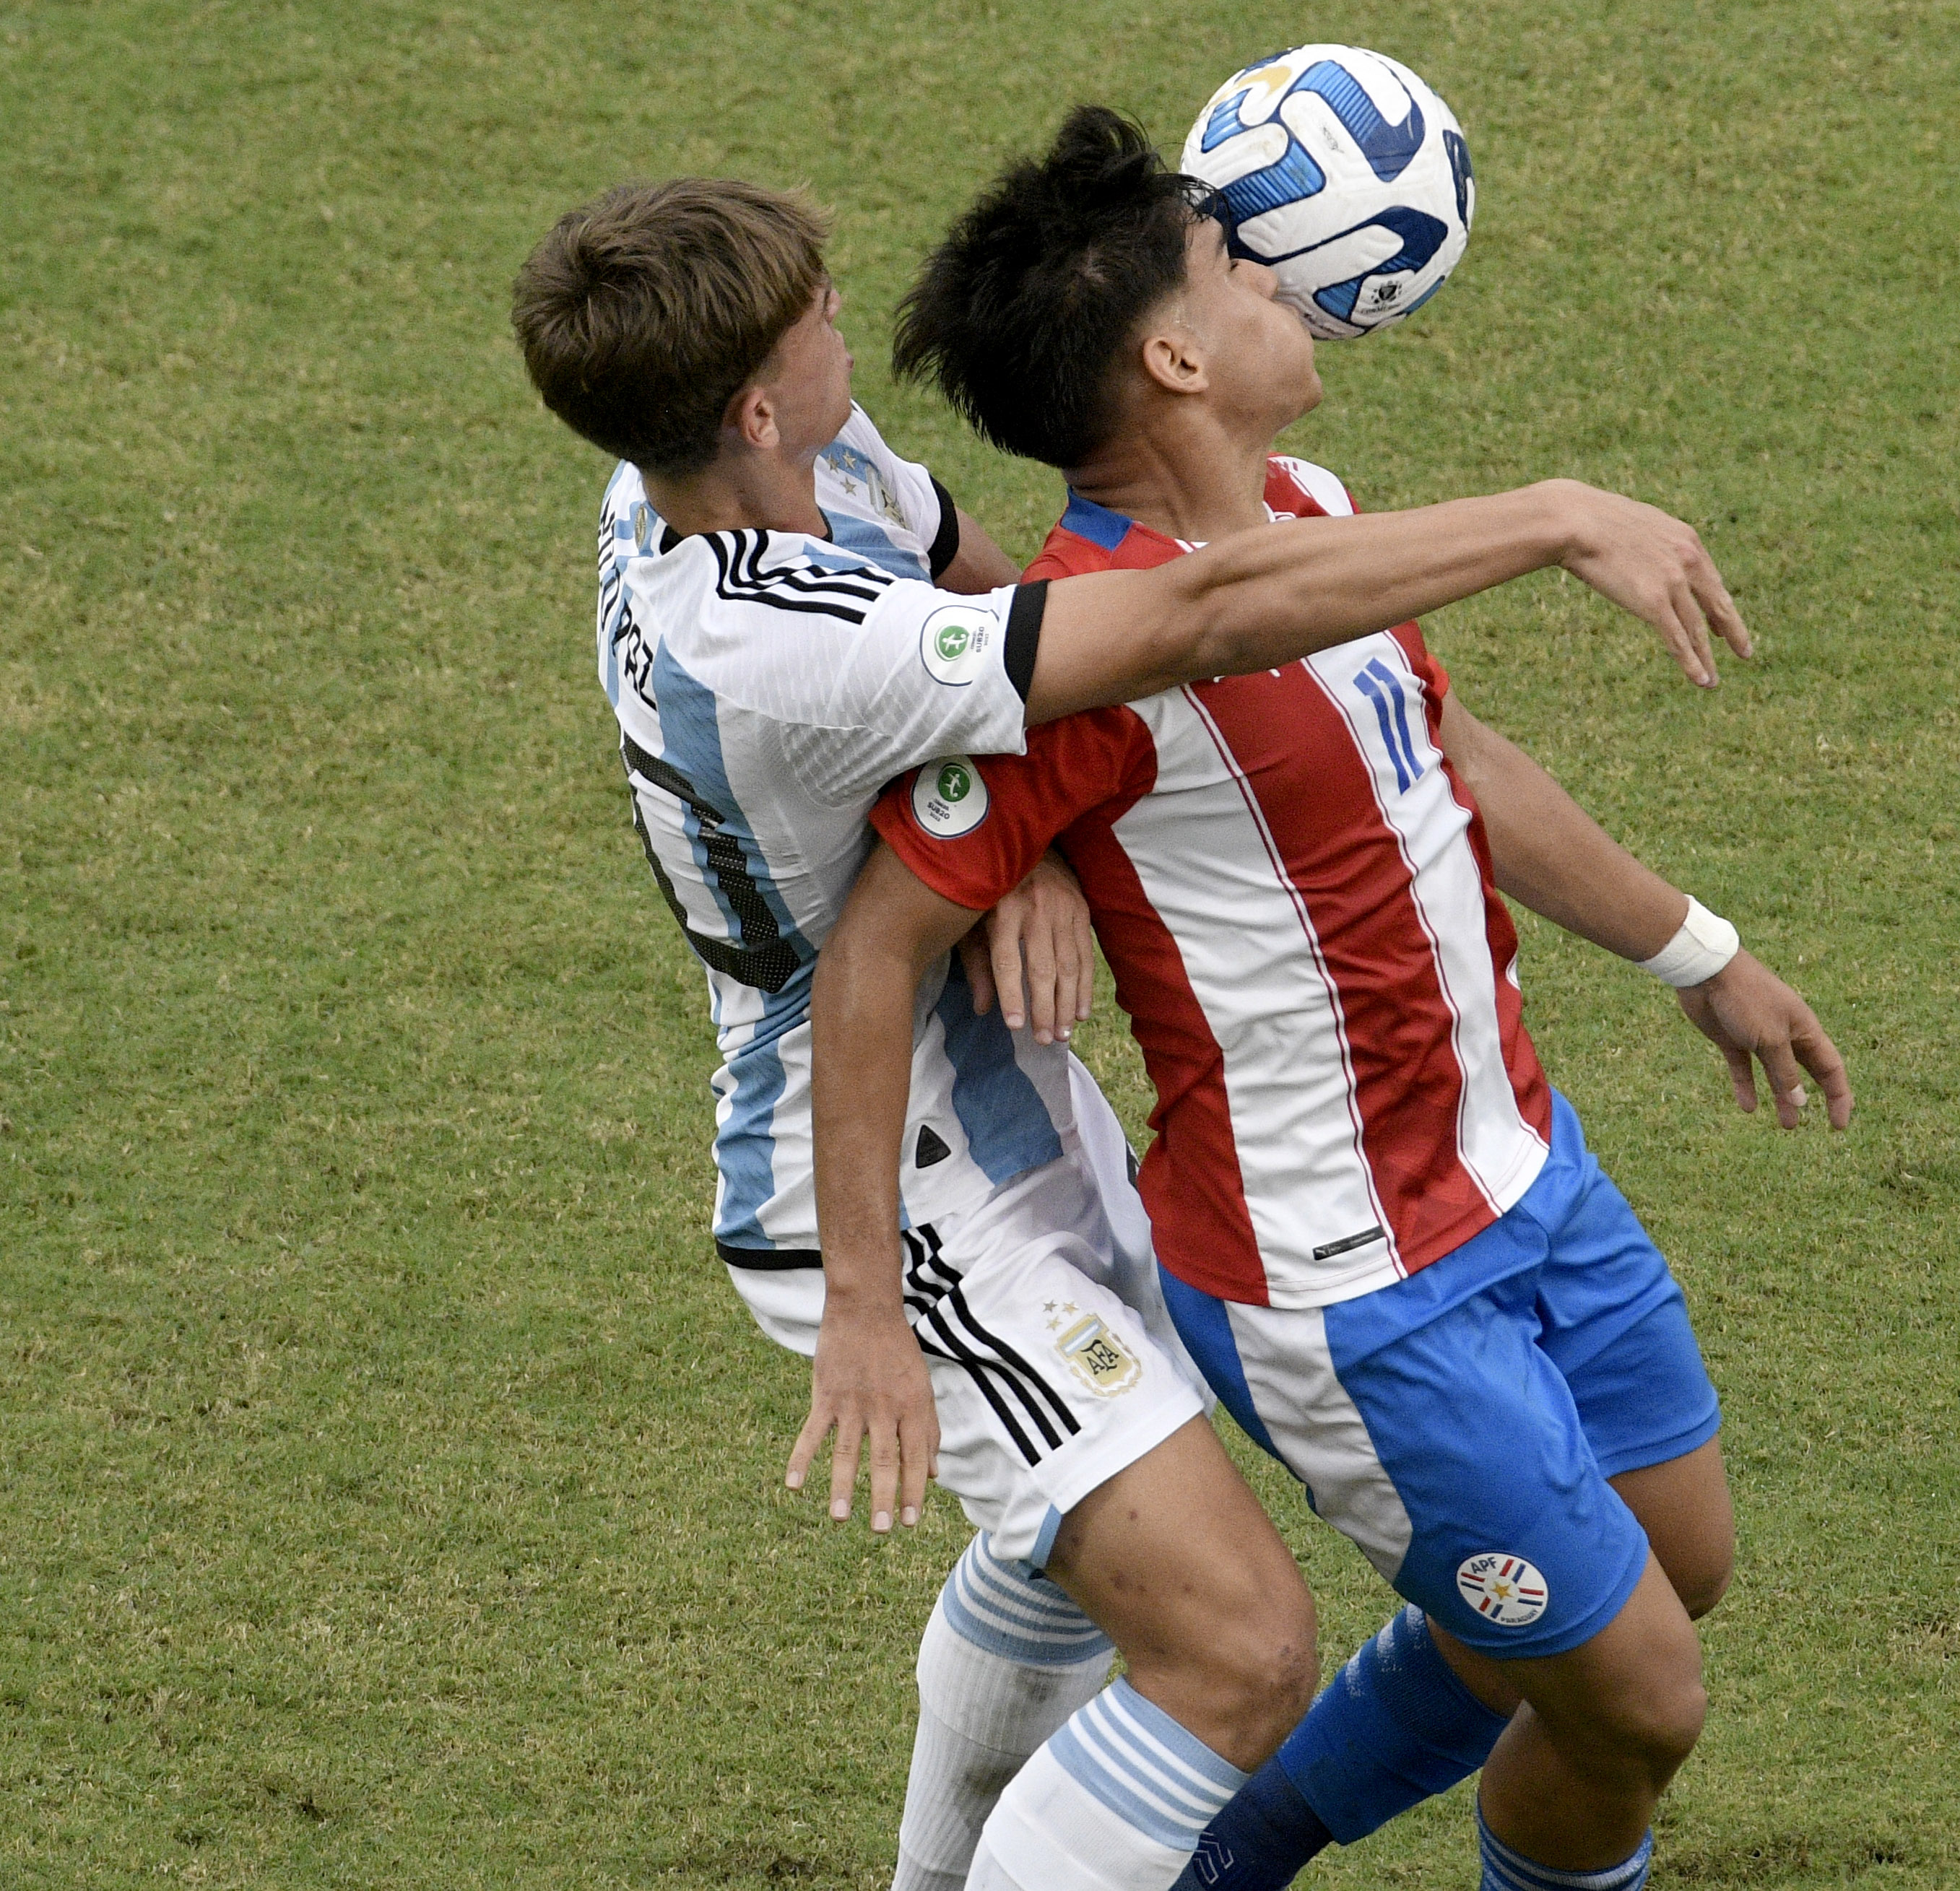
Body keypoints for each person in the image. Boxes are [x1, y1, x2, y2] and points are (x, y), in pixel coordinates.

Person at [508, 176, 1752, 1891]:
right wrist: (871, 1300)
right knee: (1234, 1644)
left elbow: (1005, 597)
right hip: (885, 1167)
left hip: (1015, 1098)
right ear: (749, 406)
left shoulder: (773, 456)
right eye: (815, 324)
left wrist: (1039, 842)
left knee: (1074, 1547)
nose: (843, 332)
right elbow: (1175, 625)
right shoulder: (766, 638)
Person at [814, 109, 1852, 1891]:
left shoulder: (1315, 517)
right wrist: (857, 1300)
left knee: (1674, 1560)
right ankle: (1234, 1854)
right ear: (1172, 356)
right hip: (1347, 1289)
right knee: (1640, 1702)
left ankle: (1245, 1843)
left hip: (1524, 1173)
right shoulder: (1083, 664)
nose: (1285, 276)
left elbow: (1437, 747)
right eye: (1235, 264)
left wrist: (1697, 950)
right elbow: (873, 947)